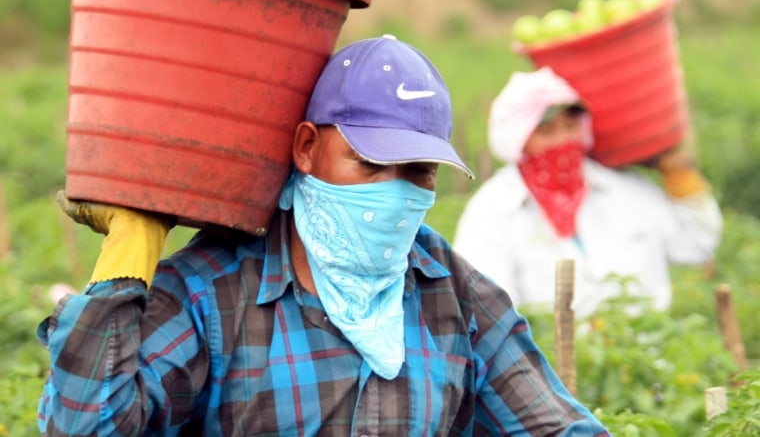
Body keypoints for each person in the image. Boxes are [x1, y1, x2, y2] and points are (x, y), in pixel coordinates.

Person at [37, 35, 610, 436]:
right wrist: (131, 246)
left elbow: (553, 426)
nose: (393, 193)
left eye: (418, 172)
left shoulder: (454, 295)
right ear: (307, 148)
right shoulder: (212, 292)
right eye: (369, 164)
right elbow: (86, 426)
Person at [453, 66, 723, 318]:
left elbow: (697, 244)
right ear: (518, 140)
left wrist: (681, 178)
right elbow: (487, 313)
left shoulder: (628, 191)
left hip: (648, 364)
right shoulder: (493, 211)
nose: (563, 141)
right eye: (547, 132)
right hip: (550, 366)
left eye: (570, 127)